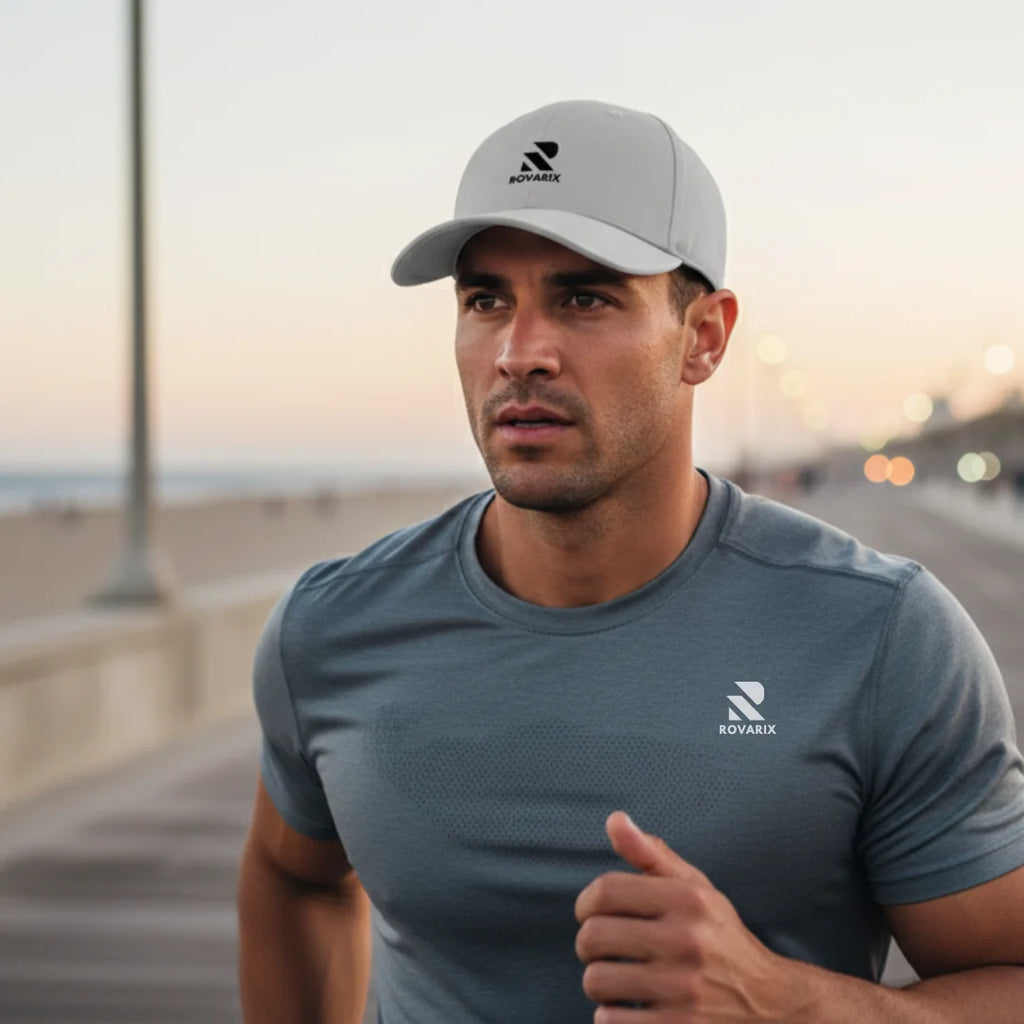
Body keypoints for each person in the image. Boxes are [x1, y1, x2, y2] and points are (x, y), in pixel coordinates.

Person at [236, 100, 1024, 1022]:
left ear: (705, 338)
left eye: (585, 297)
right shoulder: (334, 627)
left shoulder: (880, 636)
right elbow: (293, 877)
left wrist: (785, 1004)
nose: (519, 353)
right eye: (486, 298)